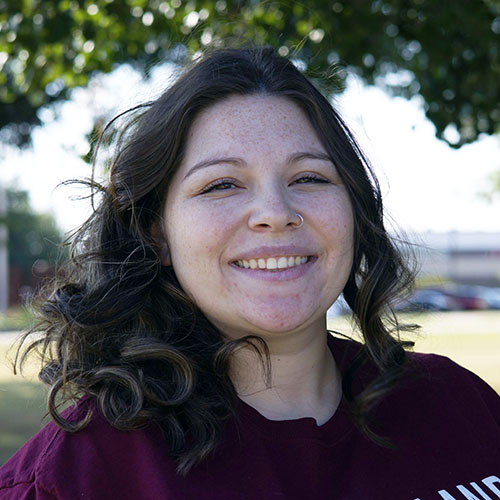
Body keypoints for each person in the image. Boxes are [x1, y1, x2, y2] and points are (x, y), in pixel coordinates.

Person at [1, 46, 499, 500]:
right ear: (158, 235)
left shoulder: (462, 407)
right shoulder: (72, 479)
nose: (275, 212)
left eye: (309, 177)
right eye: (221, 185)